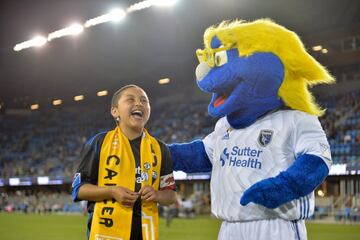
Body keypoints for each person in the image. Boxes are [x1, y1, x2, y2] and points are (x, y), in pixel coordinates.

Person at [72, 85, 177, 240]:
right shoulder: (99, 142)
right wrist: (112, 191)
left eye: (144, 101)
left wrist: (157, 194)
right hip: (105, 233)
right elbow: (79, 190)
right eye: (130, 99)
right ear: (115, 111)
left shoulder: (160, 149)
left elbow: (171, 196)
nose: (139, 104)